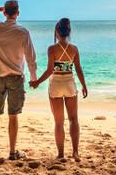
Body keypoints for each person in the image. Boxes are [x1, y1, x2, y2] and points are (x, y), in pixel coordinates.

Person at [0, 0, 37, 160]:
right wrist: (34, 78)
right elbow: (31, 57)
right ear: (18, 13)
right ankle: (12, 152)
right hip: (16, 78)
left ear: (4, 13)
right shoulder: (22, 32)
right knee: (13, 115)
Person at [30, 17, 88, 161]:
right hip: (69, 84)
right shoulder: (74, 49)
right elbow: (79, 69)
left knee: (58, 122)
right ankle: (75, 152)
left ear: (56, 32)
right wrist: (84, 86)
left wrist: (37, 82)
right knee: (74, 119)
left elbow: (50, 70)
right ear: (69, 32)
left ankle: (61, 154)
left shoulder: (52, 49)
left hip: (56, 84)